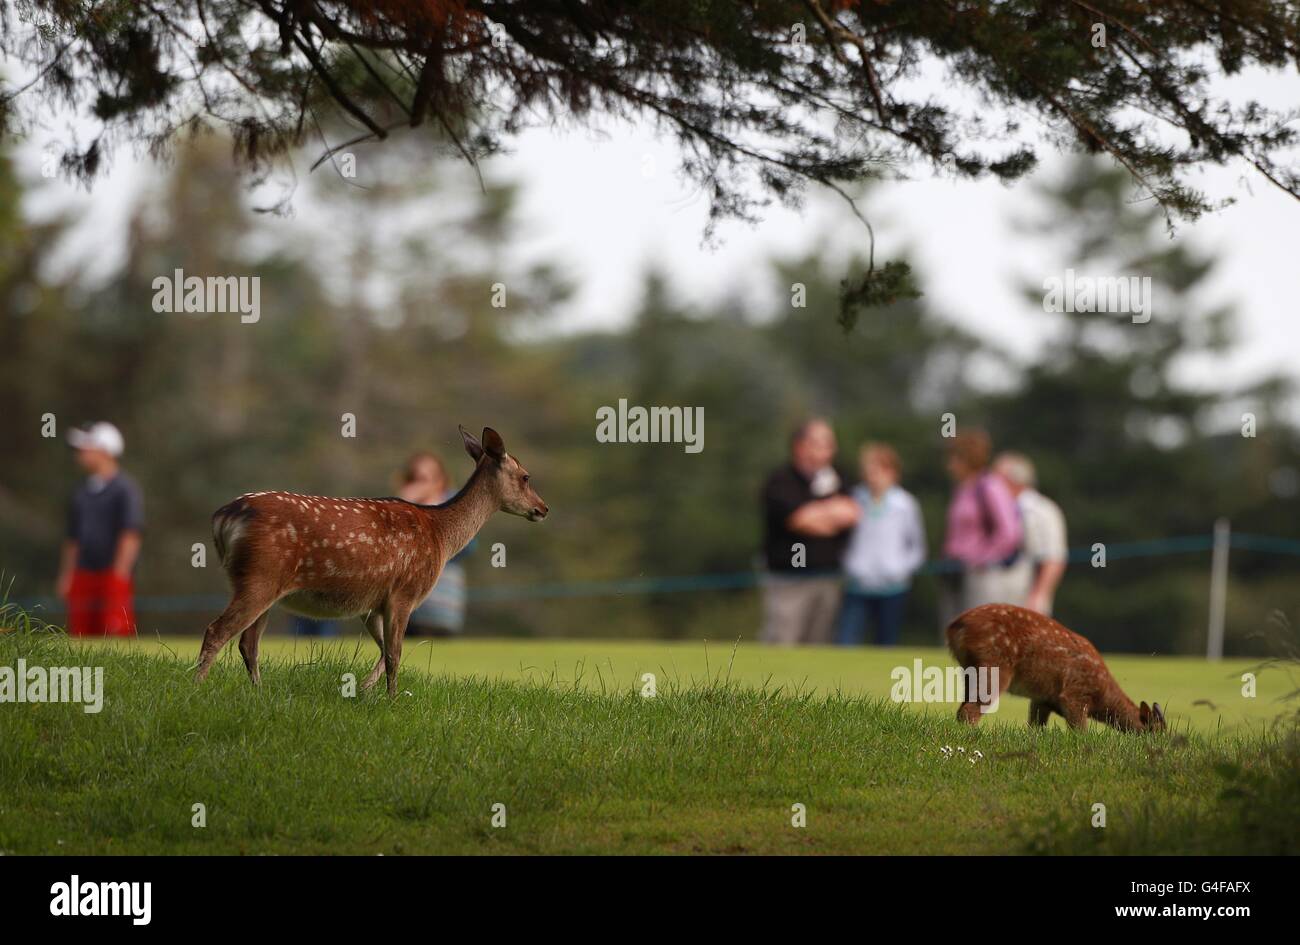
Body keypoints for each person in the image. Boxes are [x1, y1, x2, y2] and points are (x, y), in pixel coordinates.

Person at [759, 418, 860, 645]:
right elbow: (798, 520)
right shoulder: (781, 480)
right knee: (783, 641)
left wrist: (817, 513)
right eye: (820, 443)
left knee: (819, 645)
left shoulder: (838, 477)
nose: (828, 450)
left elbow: (851, 514)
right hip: (788, 580)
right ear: (800, 446)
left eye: (830, 444)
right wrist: (831, 512)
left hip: (827, 577)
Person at [57, 422, 143, 637]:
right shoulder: (81, 492)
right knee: (79, 634)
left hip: (110, 574)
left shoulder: (125, 489)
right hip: (83, 573)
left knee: (113, 633)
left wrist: (119, 575)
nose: (80, 453)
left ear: (104, 451)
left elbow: (131, 533)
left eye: (86, 448)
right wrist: (67, 575)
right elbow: (73, 538)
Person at [836, 443, 926, 646]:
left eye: (877, 470)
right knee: (845, 642)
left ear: (892, 472)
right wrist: (850, 565)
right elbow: (842, 540)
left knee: (886, 644)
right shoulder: (854, 499)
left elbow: (917, 546)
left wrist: (901, 569)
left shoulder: (905, 504)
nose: (872, 476)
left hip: (893, 587)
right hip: (858, 585)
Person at [940, 430, 1022, 624]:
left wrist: (983, 557)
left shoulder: (989, 486)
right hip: (955, 570)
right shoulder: (961, 489)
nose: (950, 465)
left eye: (954, 458)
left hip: (981, 574)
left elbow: (1009, 532)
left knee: (978, 630)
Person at [400, 452, 471, 636]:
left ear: (440, 480)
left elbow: (469, 546)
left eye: (426, 478)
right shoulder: (402, 509)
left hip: (443, 608)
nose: (421, 485)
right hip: (409, 610)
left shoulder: (452, 502)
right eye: (416, 479)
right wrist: (404, 505)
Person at [994, 451, 1068, 615]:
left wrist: (1039, 595)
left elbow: (1054, 557)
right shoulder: (995, 509)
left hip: (1027, 596)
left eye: (997, 479)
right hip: (996, 592)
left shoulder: (1043, 510)